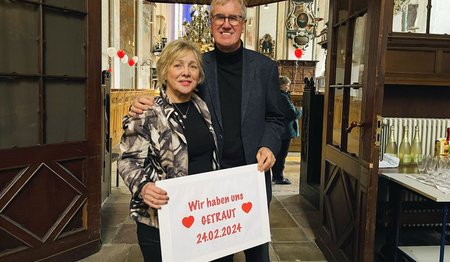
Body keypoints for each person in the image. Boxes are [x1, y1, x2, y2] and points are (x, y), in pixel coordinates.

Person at [129, 0, 284, 260]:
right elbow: (176, 92)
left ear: (243, 24)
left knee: (257, 252)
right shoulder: (198, 64)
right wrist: (145, 102)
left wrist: (268, 144)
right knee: (214, 253)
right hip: (211, 181)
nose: (226, 24)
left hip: (251, 176)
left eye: (233, 18)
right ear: (211, 22)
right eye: (220, 17)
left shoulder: (265, 68)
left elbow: (276, 117)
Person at [117, 39, 220, 262]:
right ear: (164, 71)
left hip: (200, 212)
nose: (186, 72)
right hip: (160, 218)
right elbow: (126, 160)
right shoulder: (146, 112)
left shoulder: (201, 106)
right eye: (178, 65)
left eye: (192, 66)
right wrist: (144, 186)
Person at [272, 75, 302, 185]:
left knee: (277, 154)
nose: (288, 87)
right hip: (284, 130)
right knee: (281, 156)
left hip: (279, 129)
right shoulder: (282, 97)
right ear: (282, 85)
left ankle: (276, 176)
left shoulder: (276, 95)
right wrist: (300, 111)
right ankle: (279, 177)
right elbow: (291, 114)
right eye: (287, 85)